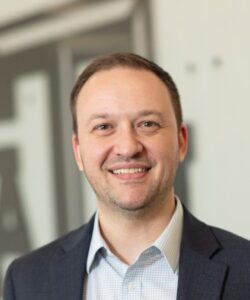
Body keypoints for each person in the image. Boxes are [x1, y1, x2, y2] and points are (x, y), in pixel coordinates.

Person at [3, 53, 250, 300]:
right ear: (78, 152)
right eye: (103, 127)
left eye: (148, 124)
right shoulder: (26, 281)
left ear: (181, 141)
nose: (128, 147)